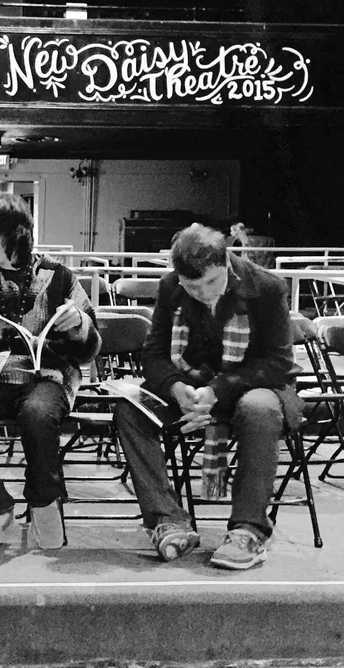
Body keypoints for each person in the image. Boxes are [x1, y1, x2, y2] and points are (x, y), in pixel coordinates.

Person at [114, 223, 303, 570]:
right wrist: (176, 388)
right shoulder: (170, 287)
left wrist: (216, 391)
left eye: (212, 282)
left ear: (225, 262)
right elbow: (154, 355)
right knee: (131, 409)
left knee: (258, 409)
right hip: (190, 387)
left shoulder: (267, 287)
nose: (203, 293)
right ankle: (167, 520)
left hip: (252, 387)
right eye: (192, 286)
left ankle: (248, 531)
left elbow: (277, 362)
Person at [0, 192, 101, 552]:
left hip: (50, 375)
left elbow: (90, 350)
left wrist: (79, 325)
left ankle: (43, 502)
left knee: (38, 414)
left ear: (17, 233)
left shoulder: (60, 277)